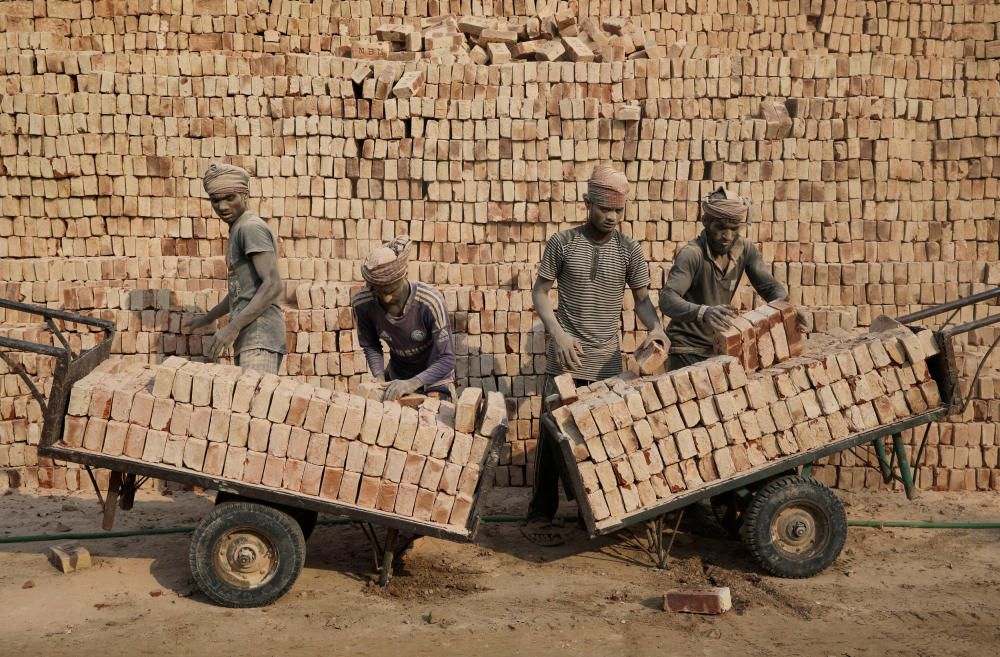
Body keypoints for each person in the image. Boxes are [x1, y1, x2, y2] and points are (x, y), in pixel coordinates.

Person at [524, 164, 667, 546]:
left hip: (606, 362)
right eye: (604, 209)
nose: (611, 217)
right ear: (587, 203)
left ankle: (603, 515)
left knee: (601, 440)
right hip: (566, 360)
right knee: (552, 438)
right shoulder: (563, 243)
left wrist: (656, 328)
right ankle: (539, 515)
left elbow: (642, 301)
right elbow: (540, 292)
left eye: (618, 211)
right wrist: (557, 334)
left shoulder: (629, 250)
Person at [659, 186, 794, 371]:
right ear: (706, 221)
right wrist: (703, 312)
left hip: (721, 347)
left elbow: (770, 288)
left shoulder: (745, 249)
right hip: (686, 348)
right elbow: (667, 299)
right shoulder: (692, 254)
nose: (727, 236)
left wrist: (786, 309)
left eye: (734, 229)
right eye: (720, 228)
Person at [184, 163, 286, 374]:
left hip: (260, 336)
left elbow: (273, 284)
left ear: (245, 195)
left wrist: (233, 327)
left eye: (230, 198)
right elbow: (240, 293)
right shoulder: (238, 229)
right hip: (251, 338)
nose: (222, 207)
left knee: (254, 403)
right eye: (215, 200)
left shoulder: (250, 227)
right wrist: (209, 318)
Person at [352, 236, 457, 402]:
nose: (386, 298)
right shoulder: (363, 304)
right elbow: (370, 344)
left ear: (404, 276)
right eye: (380, 292)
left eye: (392, 291)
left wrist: (413, 383)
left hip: (436, 374)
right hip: (398, 373)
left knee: (433, 421)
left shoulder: (430, 301)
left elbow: (447, 359)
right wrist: (379, 377)